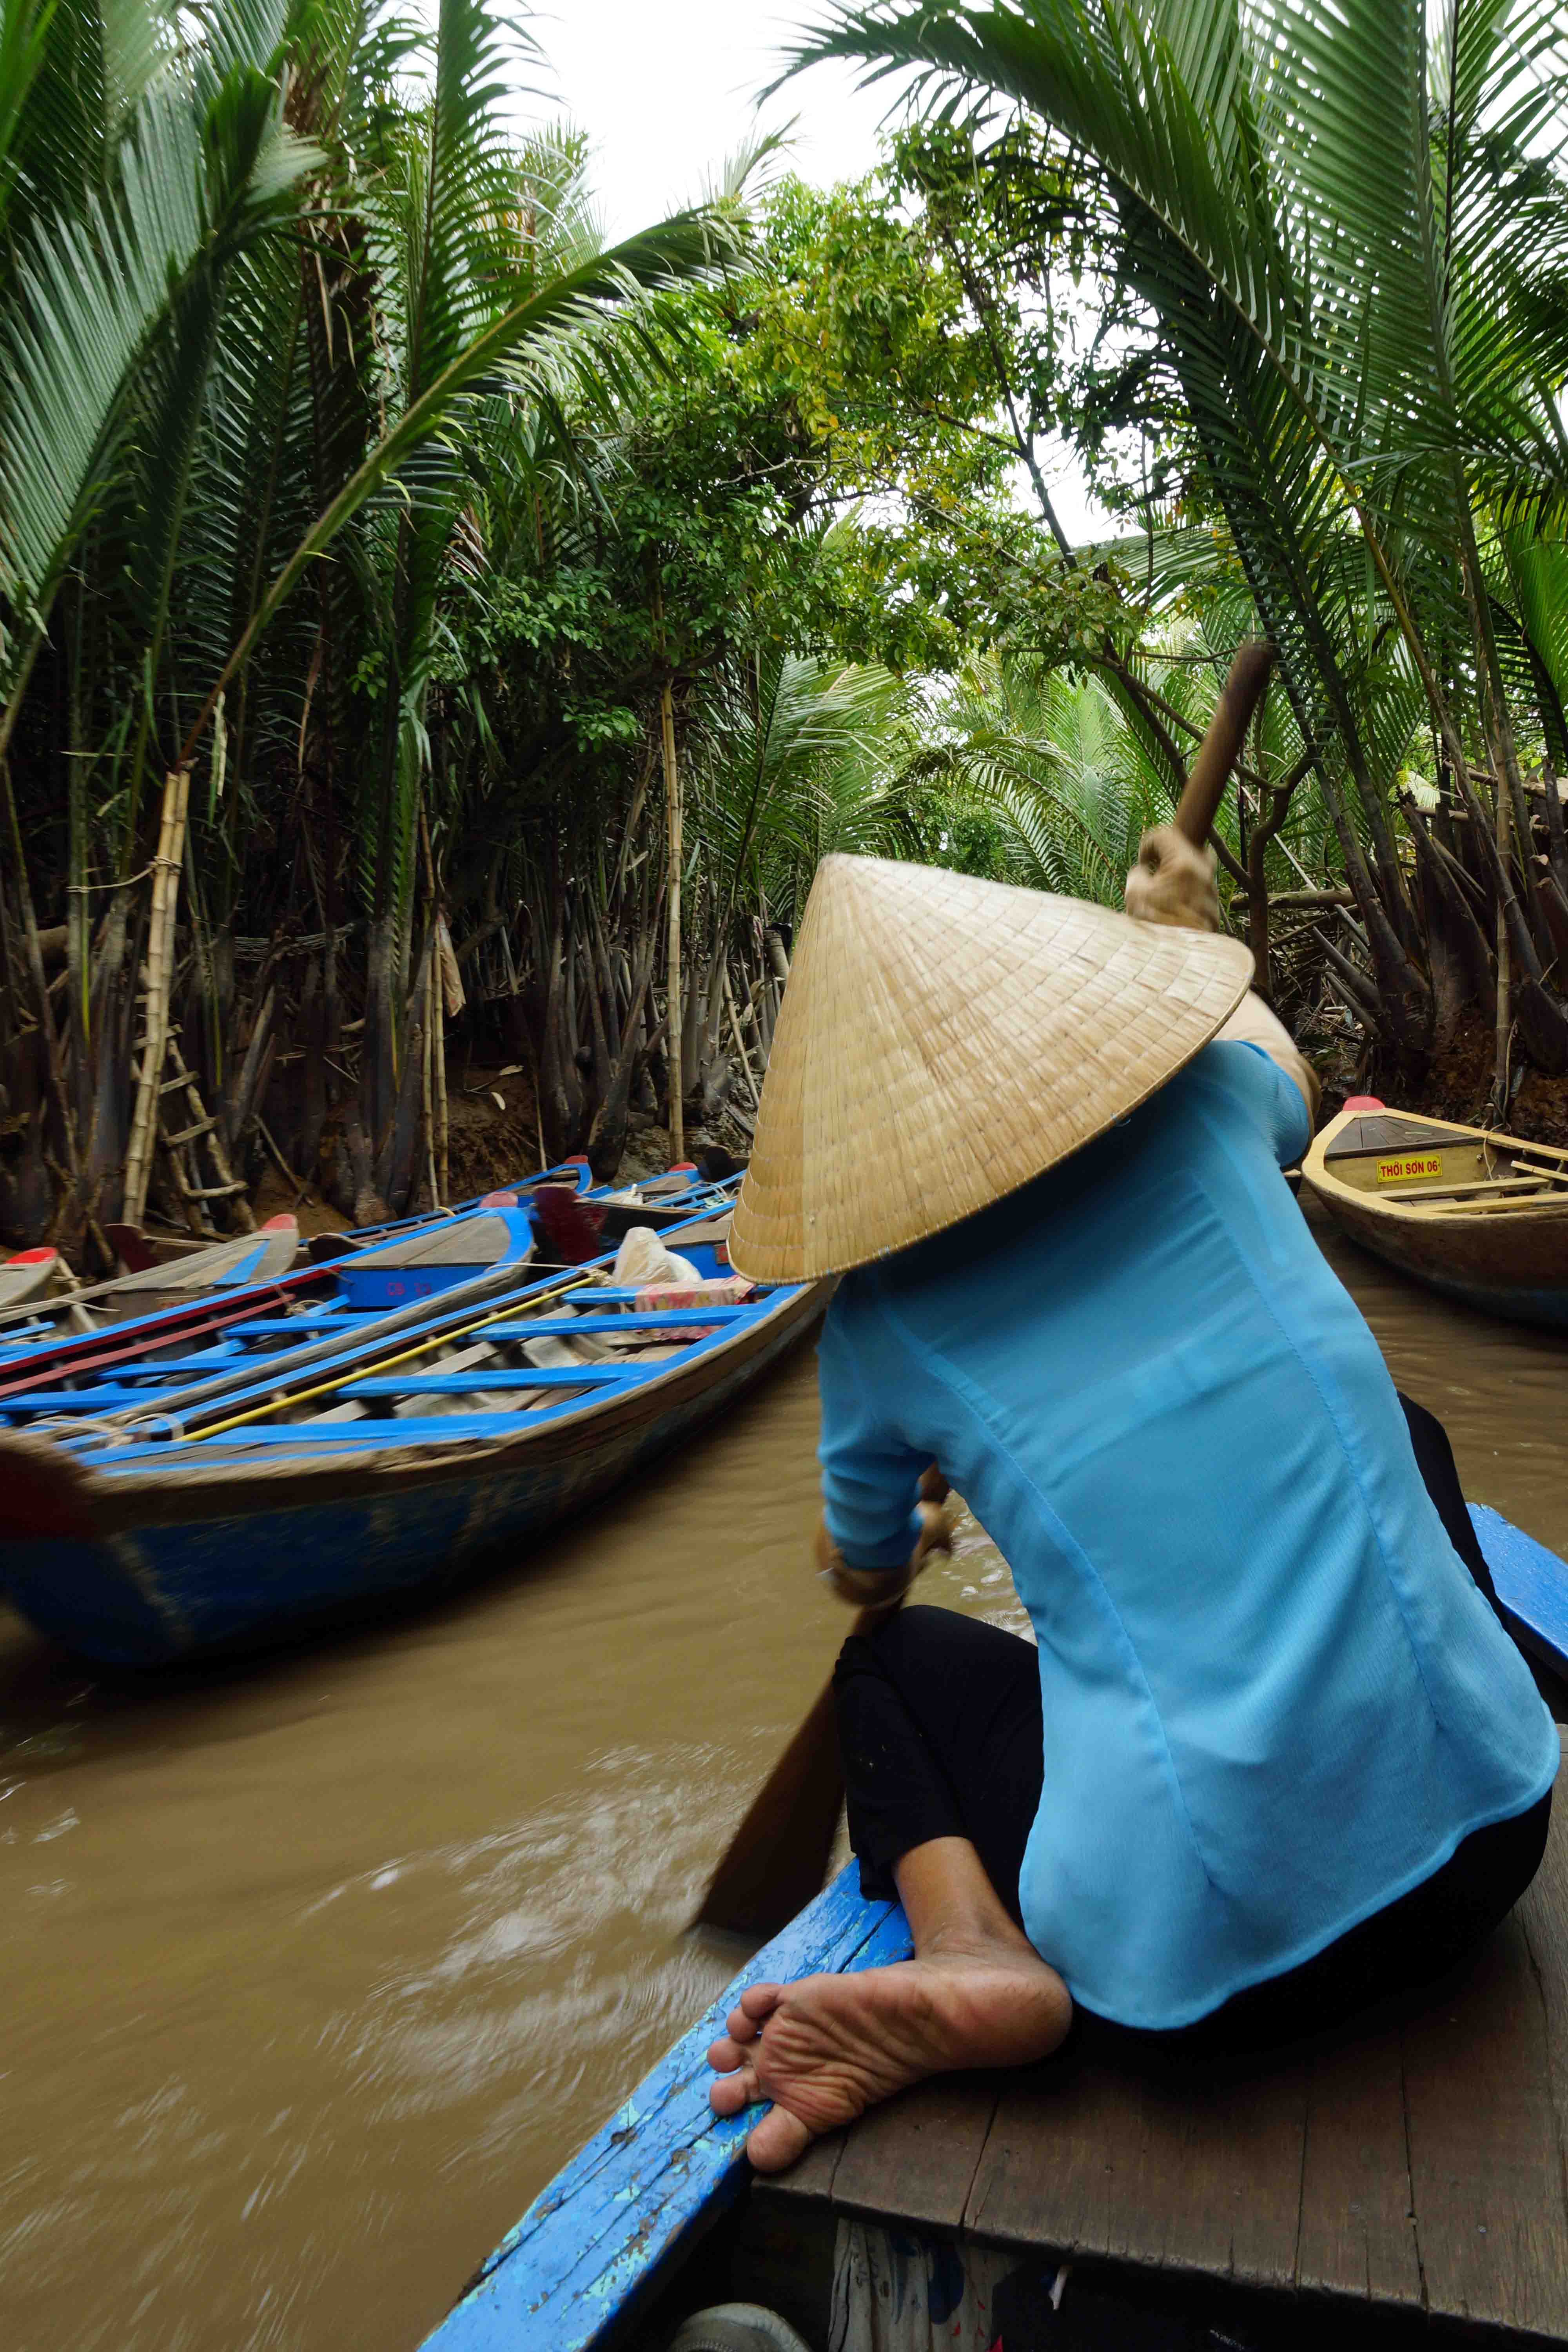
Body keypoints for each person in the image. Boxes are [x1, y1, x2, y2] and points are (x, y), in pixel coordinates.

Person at [706, 842, 1558, 2175]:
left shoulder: (878, 1334)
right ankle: (1480, 1675)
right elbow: (1289, 1073)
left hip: (1204, 1980)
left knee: (893, 1664)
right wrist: (1176, 936)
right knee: (1404, 1431)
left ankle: (976, 1954)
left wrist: (905, 1526)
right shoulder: (1213, 1103)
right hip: (1493, 1843)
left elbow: (862, 1577)